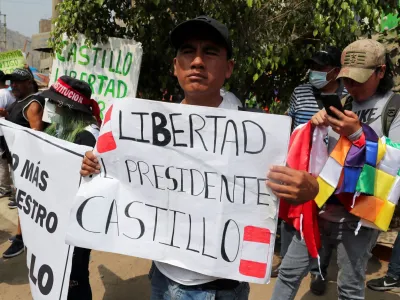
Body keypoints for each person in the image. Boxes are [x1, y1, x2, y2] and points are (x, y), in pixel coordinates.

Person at [79, 16, 319, 300]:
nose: (197, 61)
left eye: (210, 52)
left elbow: (290, 189)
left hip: (220, 288)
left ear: (229, 68)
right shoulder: (145, 129)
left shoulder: (258, 133)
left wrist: (310, 188)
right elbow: (122, 177)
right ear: (175, 67)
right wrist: (94, 167)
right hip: (162, 276)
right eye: (187, 51)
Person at [271, 39, 400, 300]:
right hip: (318, 207)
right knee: (288, 273)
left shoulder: (394, 108)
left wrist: (358, 135)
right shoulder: (343, 103)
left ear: (381, 71)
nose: (350, 86)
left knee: (349, 288)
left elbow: (396, 162)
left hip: (359, 218)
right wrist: (317, 126)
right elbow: (324, 157)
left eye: (359, 79)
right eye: (347, 79)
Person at [276, 47, 347, 295]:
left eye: (321, 68)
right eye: (313, 67)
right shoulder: (300, 92)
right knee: (290, 219)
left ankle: (318, 271)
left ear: (336, 72)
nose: (314, 72)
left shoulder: (347, 96)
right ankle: (288, 263)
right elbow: (288, 122)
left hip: (328, 173)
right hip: (296, 167)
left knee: (321, 221)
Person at [40, 75, 101, 300]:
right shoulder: (70, 130)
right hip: (65, 221)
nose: (51, 108)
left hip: (74, 225)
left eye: (55, 103)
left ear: (68, 107)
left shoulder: (85, 137)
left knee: (74, 278)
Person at [1, 68, 45, 259]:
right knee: (21, 199)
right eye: (12, 82)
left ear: (29, 82)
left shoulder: (33, 104)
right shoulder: (20, 101)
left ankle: (21, 238)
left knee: (24, 200)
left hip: (27, 164)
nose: (13, 85)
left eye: (18, 82)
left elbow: (38, 136)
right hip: (16, 160)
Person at [0, 70, 15, 198]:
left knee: (2, 161)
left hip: (1, 132)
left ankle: (4, 188)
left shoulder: (1, 94)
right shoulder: (10, 93)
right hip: (8, 131)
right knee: (8, 160)